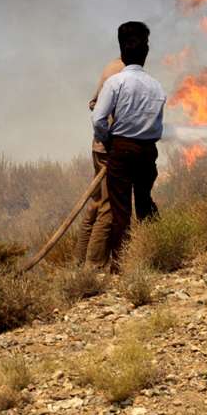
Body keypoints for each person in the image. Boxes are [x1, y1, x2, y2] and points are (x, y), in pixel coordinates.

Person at [89, 21, 166, 272]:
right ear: (146, 53)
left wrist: (109, 140)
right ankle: (156, 254)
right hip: (148, 151)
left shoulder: (116, 82)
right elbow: (157, 125)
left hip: (121, 149)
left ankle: (121, 266)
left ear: (122, 52)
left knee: (120, 211)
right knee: (144, 202)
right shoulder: (157, 86)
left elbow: (99, 118)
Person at [74, 56, 124, 267]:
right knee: (108, 207)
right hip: (107, 148)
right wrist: (110, 138)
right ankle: (93, 266)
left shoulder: (113, 67)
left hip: (100, 146)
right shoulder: (121, 72)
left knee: (95, 204)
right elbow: (98, 109)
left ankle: (78, 260)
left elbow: (94, 103)